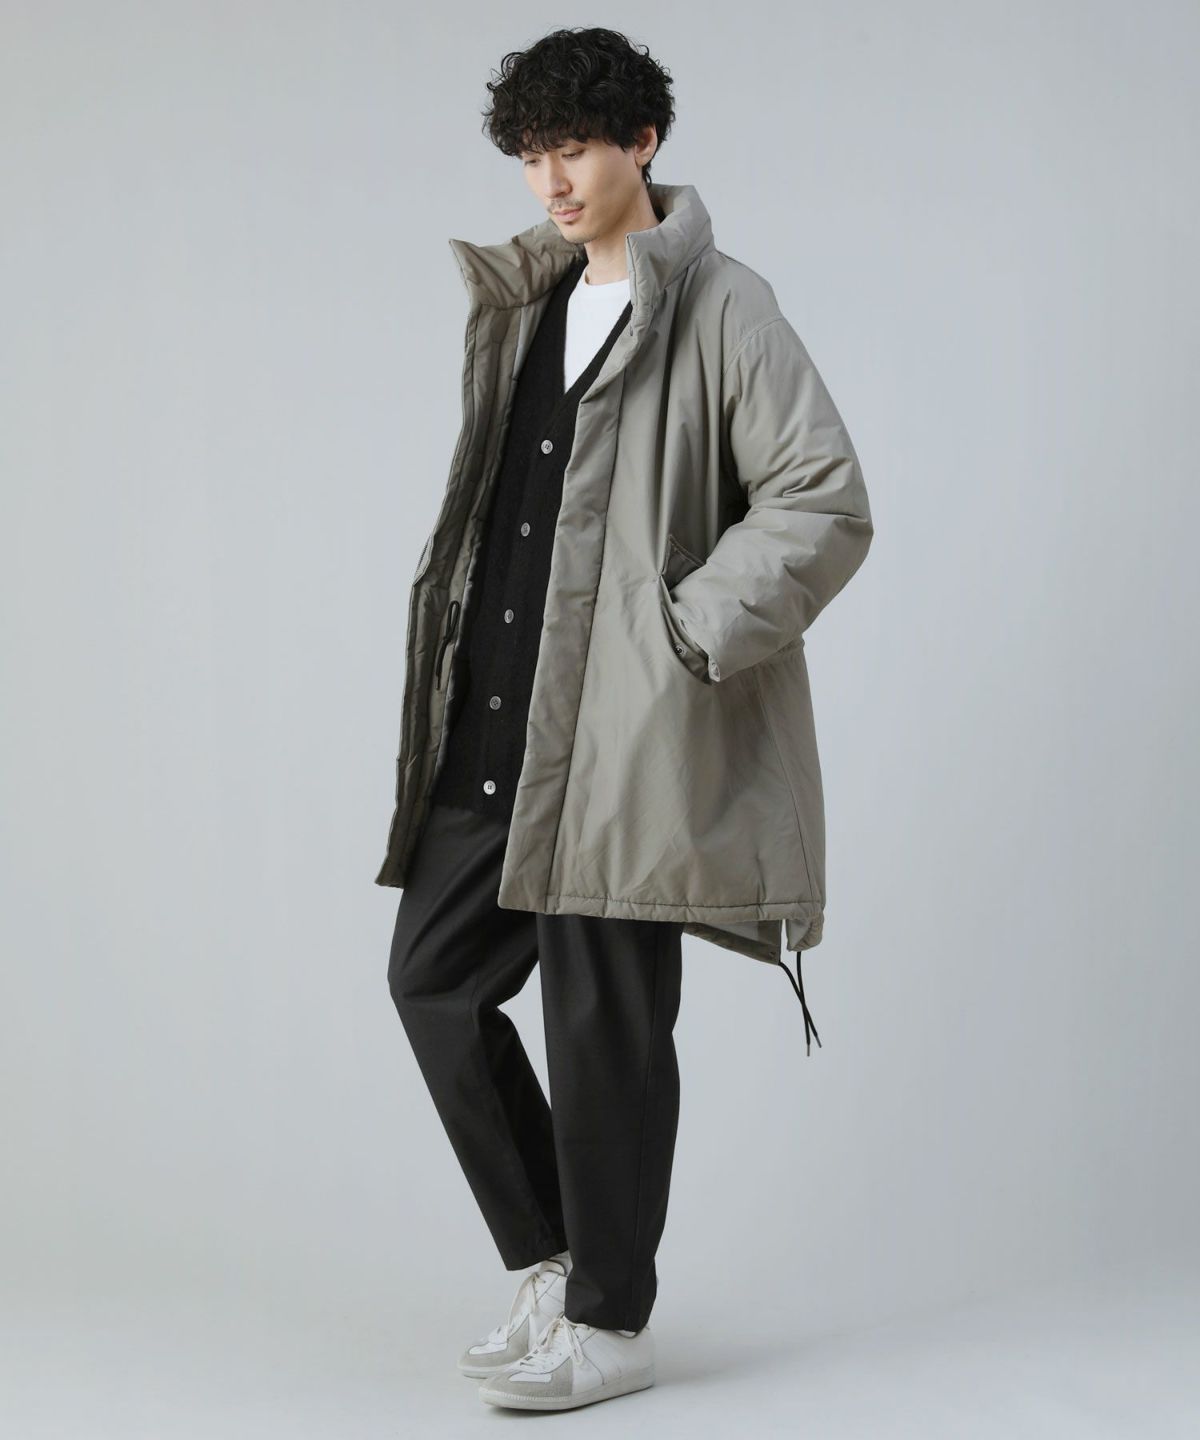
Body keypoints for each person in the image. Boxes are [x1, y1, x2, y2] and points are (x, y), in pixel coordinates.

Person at [379, 26, 873, 1413]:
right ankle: (555, 1261)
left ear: (643, 142)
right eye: (533, 156)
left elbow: (824, 498)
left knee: (603, 1034)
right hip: (498, 722)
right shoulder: (527, 302)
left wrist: (683, 637)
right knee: (431, 982)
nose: (552, 182)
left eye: (577, 150)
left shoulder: (722, 308)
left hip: (622, 743)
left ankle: (613, 1322)